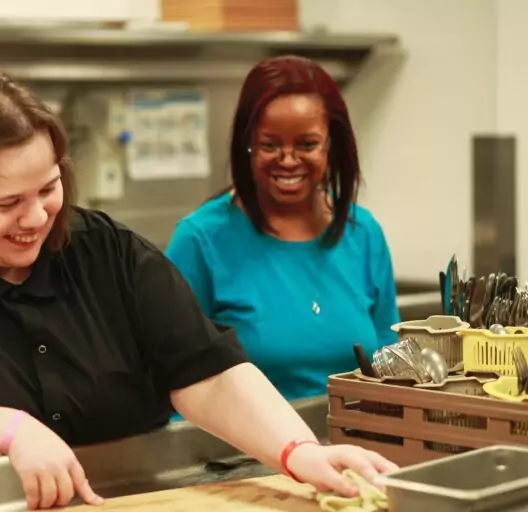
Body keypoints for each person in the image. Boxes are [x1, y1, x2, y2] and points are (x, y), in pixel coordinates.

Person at [0, 68, 397, 511]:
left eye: (47, 189)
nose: (36, 217)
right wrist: (7, 430)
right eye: (7, 203)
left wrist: (299, 452)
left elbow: (206, 369)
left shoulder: (107, 253)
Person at [166, 56, 399, 404]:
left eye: (306, 144)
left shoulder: (363, 232)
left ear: (331, 144)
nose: (288, 160)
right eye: (270, 145)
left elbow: (388, 365)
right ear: (247, 145)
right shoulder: (201, 241)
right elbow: (171, 377)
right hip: (241, 455)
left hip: (356, 446)